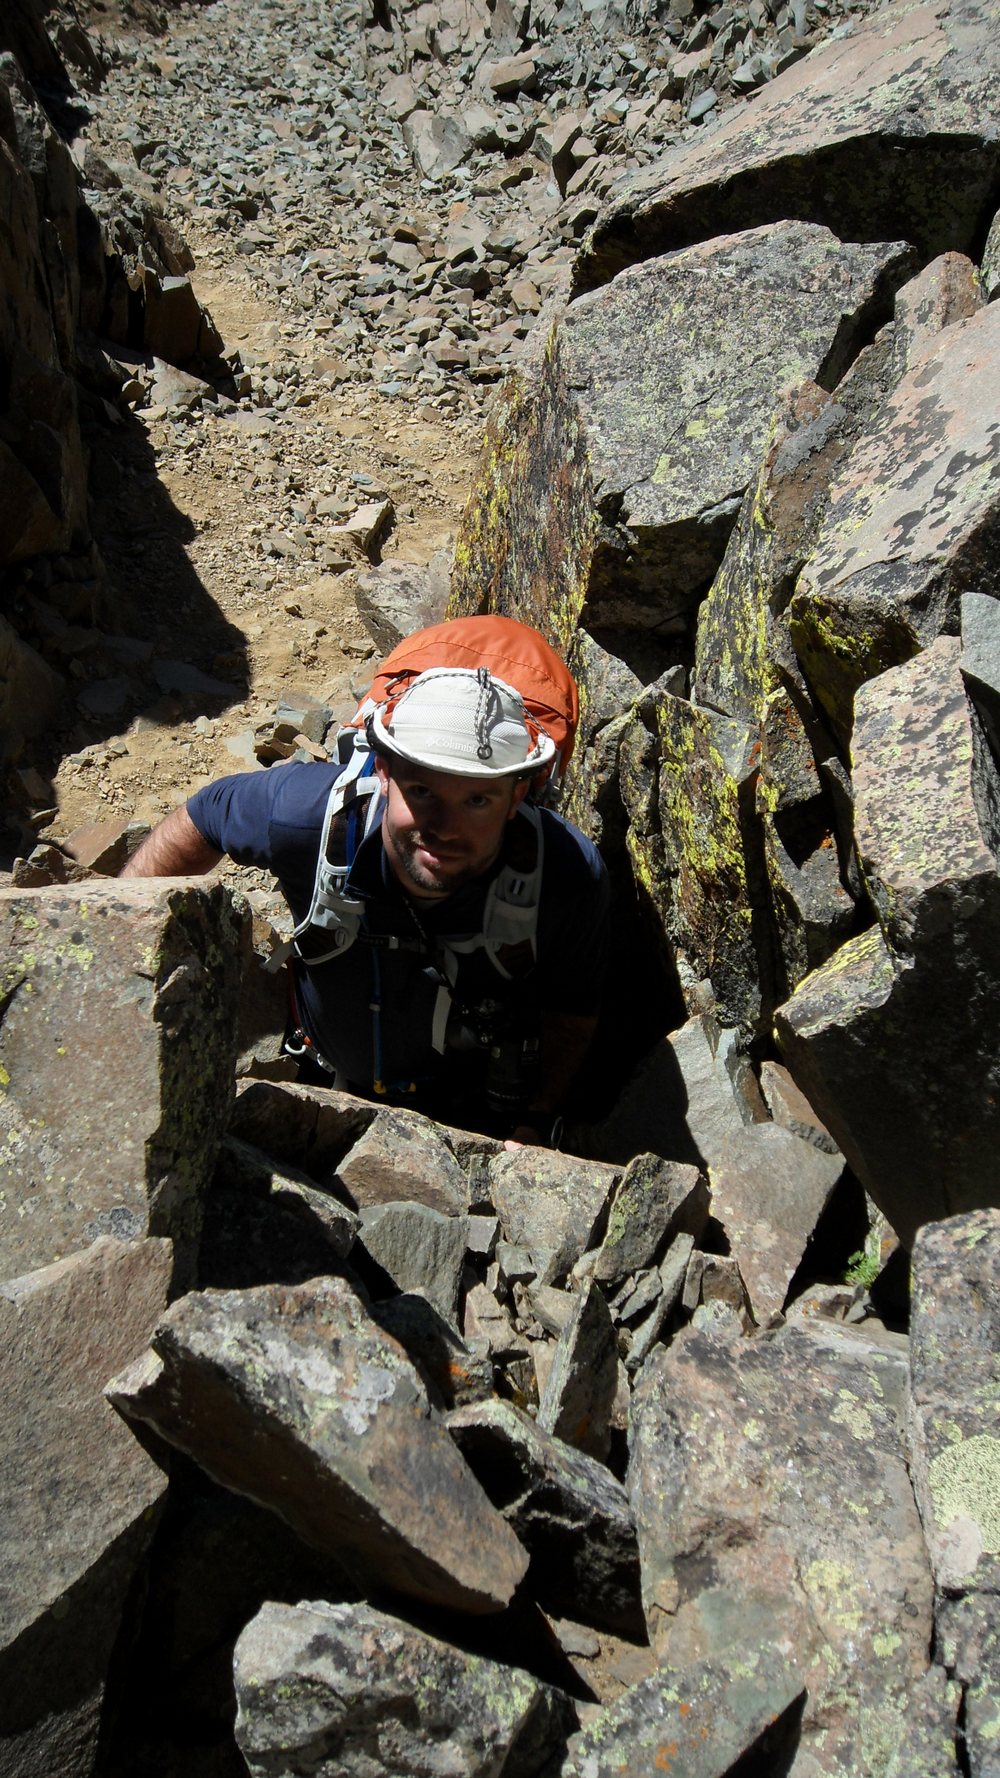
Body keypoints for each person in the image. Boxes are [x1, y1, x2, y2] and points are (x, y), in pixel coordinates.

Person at [121, 665, 610, 1147]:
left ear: (516, 796)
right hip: (327, 1076)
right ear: (384, 772)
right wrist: (119, 946)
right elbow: (205, 816)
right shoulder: (304, 819)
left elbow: (573, 1007)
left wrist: (539, 1118)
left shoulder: (565, 874)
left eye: (477, 800)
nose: (444, 827)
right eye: (422, 791)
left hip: (477, 1106)